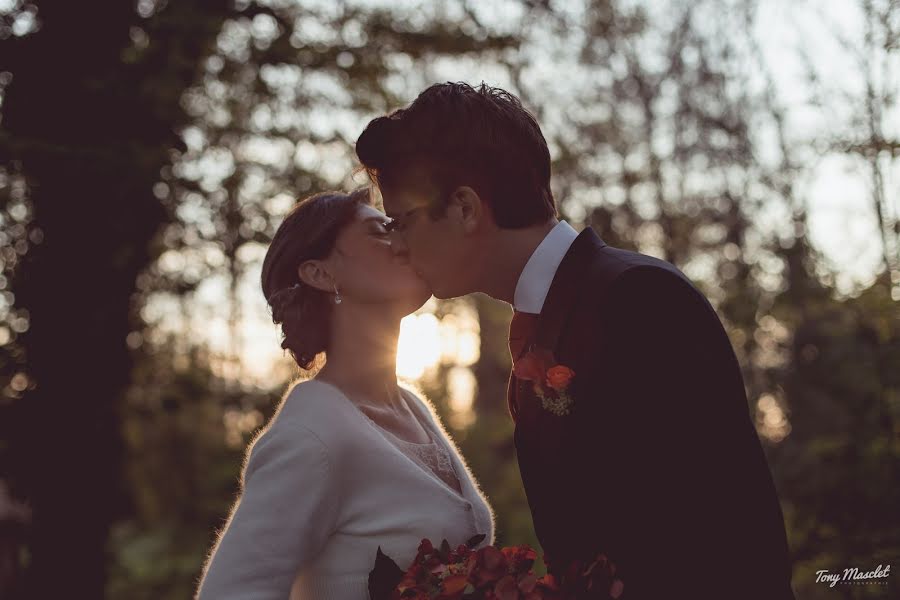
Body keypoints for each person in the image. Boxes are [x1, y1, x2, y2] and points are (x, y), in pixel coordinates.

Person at [355, 82, 796, 599]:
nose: (399, 245)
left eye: (400, 221)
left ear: (465, 208)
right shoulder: (541, 323)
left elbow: (720, 534)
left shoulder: (638, 298)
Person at [195, 188, 495, 600]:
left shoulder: (413, 408)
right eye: (381, 231)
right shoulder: (311, 436)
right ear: (320, 273)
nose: (402, 242)